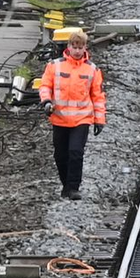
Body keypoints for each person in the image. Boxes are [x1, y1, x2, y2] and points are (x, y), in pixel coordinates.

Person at [39, 30, 105, 200]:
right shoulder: (55, 66)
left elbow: (97, 96)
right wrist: (46, 101)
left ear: (85, 48)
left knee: (76, 152)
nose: (77, 50)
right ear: (68, 47)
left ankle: (73, 187)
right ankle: (66, 185)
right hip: (59, 118)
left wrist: (99, 120)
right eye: (74, 46)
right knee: (60, 155)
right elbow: (45, 86)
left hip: (81, 119)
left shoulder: (92, 69)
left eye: (80, 47)